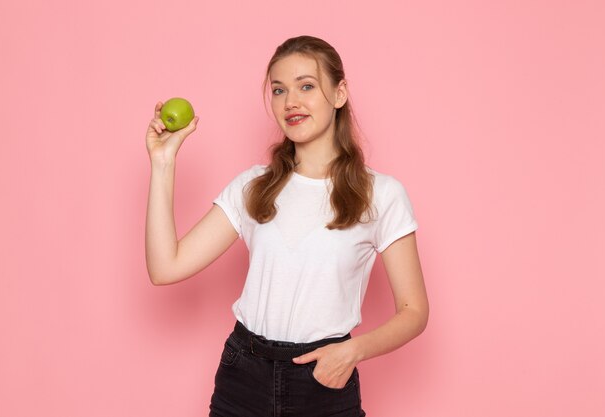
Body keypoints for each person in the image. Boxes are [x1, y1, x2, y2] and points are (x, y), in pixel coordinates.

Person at [145, 35, 429, 417]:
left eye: (306, 86)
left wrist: (352, 351)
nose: (290, 102)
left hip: (324, 381)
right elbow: (166, 267)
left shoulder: (381, 194)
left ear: (340, 92)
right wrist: (163, 163)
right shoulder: (253, 186)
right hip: (242, 377)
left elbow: (414, 311)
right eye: (278, 90)